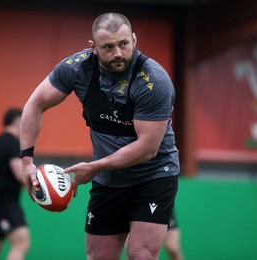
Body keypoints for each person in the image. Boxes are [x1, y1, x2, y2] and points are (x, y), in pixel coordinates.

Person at [20, 12, 180, 260]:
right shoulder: (76, 69)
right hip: (109, 179)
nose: (118, 52)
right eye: (108, 47)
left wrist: (94, 167)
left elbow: (148, 147)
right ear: (93, 48)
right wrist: (27, 162)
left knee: (141, 254)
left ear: (134, 40)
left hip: (153, 175)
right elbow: (35, 104)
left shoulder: (154, 81)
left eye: (124, 44)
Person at [0, 108, 30, 260]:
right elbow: (19, 175)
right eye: (25, 121)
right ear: (17, 122)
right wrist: (39, 184)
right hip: (3, 202)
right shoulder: (12, 142)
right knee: (21, 242)